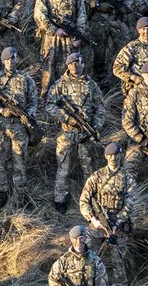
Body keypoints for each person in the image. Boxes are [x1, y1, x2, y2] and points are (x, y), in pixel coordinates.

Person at [45, 52, 105, 213]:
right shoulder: (60, 85)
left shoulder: (91, 85)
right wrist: (67, 118)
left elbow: (100, 108)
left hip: (86, 134)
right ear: (67, 65)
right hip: (67, 133)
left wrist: (95, 127)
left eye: (78, 63)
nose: (75, 66)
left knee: (90, 168)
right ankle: (60, 199)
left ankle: (91, 199)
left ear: (83, 64)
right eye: (71, 63)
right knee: (63, 167)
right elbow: (50, 105)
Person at [0, 47, 38, 209]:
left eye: (13, 58)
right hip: (1, 127)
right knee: (0, 160)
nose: (10, 62)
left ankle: (21, 195)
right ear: (2, 61)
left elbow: (34, 100)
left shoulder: (26, 79)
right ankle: (1, 193)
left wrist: (29, 114)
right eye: (7, 59)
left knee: (20, 160)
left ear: (17, 59)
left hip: (20, 127)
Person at [79, 143, 135, 286]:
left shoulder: (127, 177)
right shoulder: (97, 176)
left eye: (117, 155)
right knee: (88, 257)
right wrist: (93, 219)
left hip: (118, 226)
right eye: (110, 155)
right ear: (106, 156)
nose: (113, 158)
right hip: (97, 224)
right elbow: (84, 200)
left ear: (121, 156)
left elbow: (130, 203)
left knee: (119, 261)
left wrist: (117, 223)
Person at [33, 0, 87, 92]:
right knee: (48, 68)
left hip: (70, 35)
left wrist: (79, 34)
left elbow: (81, 12)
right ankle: (46, 98)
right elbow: (39, 13)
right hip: (51, 37)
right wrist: (54, 29)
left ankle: (66, 97)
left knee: (69, 67)